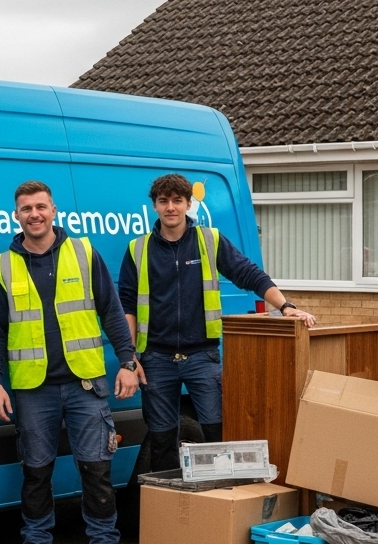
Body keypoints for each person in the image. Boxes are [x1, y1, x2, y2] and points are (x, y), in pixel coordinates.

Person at [0, 181, 140, 544]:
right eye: (25, 209)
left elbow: (112, 312)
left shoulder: (83, 253)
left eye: (40, 207)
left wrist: (127, 361)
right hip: (33, 388)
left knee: (96, 470)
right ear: (16, 216)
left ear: (54, 210)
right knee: (36, 472)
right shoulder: (3, 266)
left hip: (85, 383)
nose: (34, 214)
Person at [118, 173, 316, 472]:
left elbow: (249, 274)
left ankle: (220, 508)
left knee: (218, 434)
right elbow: (127, 305)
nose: (170, 207)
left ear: (187, 204)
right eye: (163, 201)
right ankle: (173, 510)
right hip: (156, 359)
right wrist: (129, 357)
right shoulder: (138, 249)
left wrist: (286, 306)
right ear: (154, 206)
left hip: (202, 357)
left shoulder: (209, 240)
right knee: (161, 442)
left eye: (177, 201)